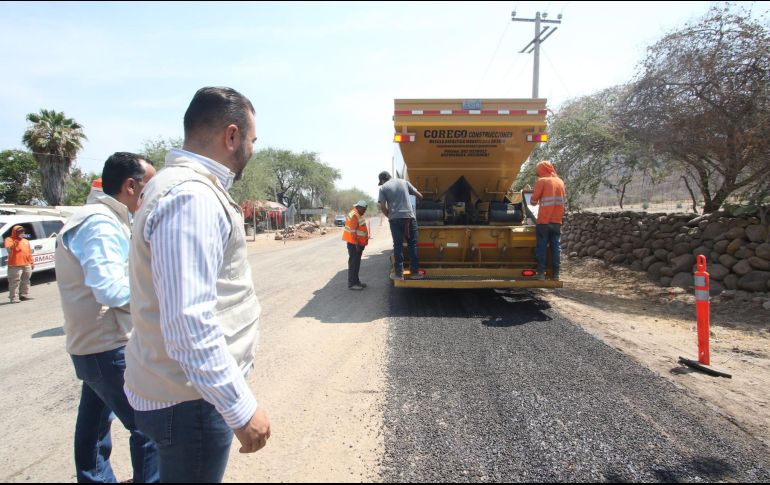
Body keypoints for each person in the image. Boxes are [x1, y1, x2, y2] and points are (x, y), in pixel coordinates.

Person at [124, 86, 270, 483]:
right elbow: (190, 324)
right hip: (191, 402)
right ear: (232, 136)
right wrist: (239, 408)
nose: (252, 150)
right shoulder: (193, 197)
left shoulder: (178, 186)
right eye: (252, 140)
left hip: (182, 395)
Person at [55, 152, 159, 483]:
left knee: (94, 428)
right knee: (149, 426)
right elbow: (111, 291)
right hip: (108, 347)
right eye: (151, 186)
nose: (154, 195)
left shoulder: (98, 218)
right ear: (131, 186)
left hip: (93, 346)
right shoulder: (99, 223)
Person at [378, 171, 424, 280]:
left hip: (394, 219)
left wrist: (389, 216)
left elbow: (382, 207)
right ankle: (415, 273)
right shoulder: (404, 182)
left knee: (397, 245)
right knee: (412, 244)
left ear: (383, 180)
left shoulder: (383, 188)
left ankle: (399, 274)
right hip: (409, 217)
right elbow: (420, 196)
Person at [529, 160, 566, 281]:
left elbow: (533, 201)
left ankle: (540, 274)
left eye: (538, 170)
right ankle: (556, 274)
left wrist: (535, 199)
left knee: (542, 247)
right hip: (557, 222)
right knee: (556, 248)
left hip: (544, 221)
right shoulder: (560, 182)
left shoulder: (542, 181)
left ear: (541, 170)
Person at [342, 200, 369, 290]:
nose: (364, 211)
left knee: (356, 263)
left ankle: (356, 282)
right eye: (364, 209)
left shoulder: (357, 214)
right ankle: (352, 284)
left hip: (356, 244)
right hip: (354, 244)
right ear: (359, 207)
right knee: (354, 264)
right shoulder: (354, 215)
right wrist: (356, 244)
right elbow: (353, 231)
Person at [4, 225, 34, 303]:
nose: (22, 233)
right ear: (15, 232)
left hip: (26, 264)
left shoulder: (26, 241)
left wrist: (32, 262)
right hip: (15, 265)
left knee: (26, 281)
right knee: (14, 282)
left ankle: (24, 295)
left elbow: (29, 253)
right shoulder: (9, 239)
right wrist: (17, 240)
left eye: (23, 231)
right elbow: (9, 250)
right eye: (19, 231)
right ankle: (14, 298)